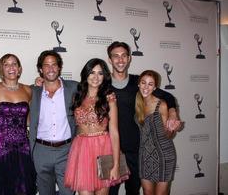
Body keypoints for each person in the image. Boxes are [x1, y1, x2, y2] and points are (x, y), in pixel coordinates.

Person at [107, 41, 180, 195]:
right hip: (111, 149)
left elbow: (166, 96)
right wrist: (42, 82)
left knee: (133, 191)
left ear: (129, 58)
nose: (120, 60)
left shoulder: (138, 83)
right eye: (115, 56)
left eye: (123, 56)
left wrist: (172, 112)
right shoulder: (103, 84)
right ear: (109, 59)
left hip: (136, 150)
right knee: (111, 192)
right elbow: (83, 91)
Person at [64, 58, 127, 195]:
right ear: (86, 74)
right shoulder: (77, 96)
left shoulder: (109, 98)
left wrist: (116, 165)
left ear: (104, 77)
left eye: (100, 73)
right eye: (92, 72)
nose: (95, 77)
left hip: (104, 149)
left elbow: (114, 133)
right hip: (81, 151)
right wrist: (39, 81)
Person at [29, 50, 77, 195]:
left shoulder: (74, 87)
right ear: (40, 69)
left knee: (68, 192)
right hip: (41, 151)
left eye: (54, 64)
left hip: (67, 150)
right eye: (46, 65)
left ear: (59, 67)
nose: (51, 69)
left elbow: (95, 91)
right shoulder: (32, 91)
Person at [0, 54, 37, 195]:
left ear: (19, 68)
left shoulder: (28, 90)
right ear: (1, 69)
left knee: (24, 187)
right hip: (1, 148)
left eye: (14, 63)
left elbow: (29, 120)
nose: (11, 67)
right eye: (6, 64)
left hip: (23, 148)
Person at [135, 70, 177, 195]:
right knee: (147, 192)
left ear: (155, 87)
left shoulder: (162, 105)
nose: (146, 87)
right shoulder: (137, 103)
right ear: (138, 84)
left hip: (163, 154)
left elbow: (168, 136)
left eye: (150, 84)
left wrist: (171, 128)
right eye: (143, 83)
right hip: (144, 155)